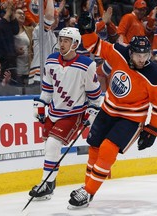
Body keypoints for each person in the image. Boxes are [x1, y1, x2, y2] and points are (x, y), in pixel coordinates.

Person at [67, 12, 157, 209]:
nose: (141, 59)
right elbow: (94, 46)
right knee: (94, 148)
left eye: (145, 55)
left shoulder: (155, 76)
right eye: (138, 55)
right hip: (108, 110)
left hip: (131, 119)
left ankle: (88, 192)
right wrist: (88, 30)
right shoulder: (118, 52)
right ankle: (86, 188)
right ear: (130, 52)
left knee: (107, 149)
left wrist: (152, 129)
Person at [28, 27, 102, 201]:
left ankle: (45, 184)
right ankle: (51, 184)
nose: (62, 44)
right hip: (53, 113)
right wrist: (41, 105)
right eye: (60, 40)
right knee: (49, 148)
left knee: (53, 145)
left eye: (66, 41)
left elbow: (95, 95)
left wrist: (92, 110)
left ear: (75, 44)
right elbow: (47, 90)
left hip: (73, 114)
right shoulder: (51, 60)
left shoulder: (86, 65)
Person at [14, 8, 34, 86]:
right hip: (15, 70)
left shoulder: (29, 30)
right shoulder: (8, 30)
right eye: (19, 13)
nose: (22, 15)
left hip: (27, 69)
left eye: (23, 14)